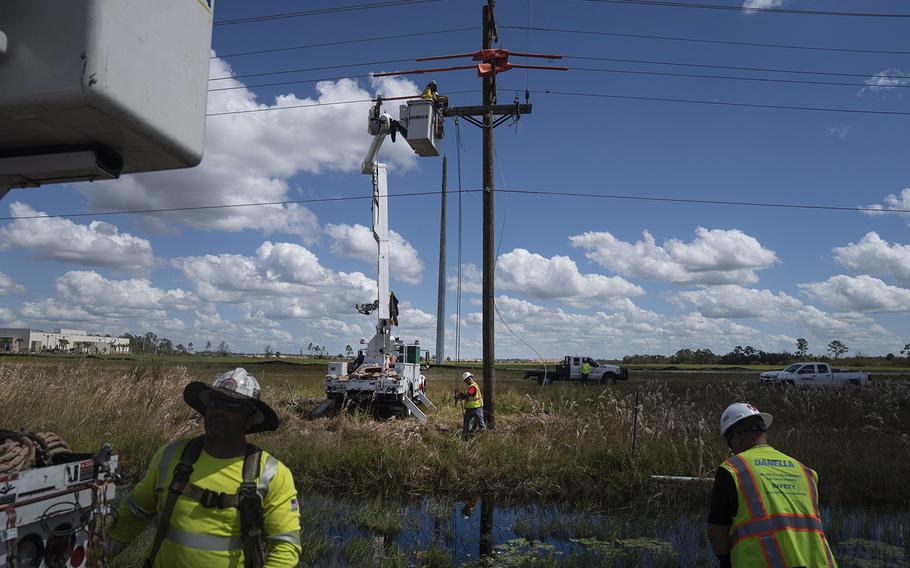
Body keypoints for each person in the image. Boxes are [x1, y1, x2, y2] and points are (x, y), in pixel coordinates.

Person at [108, 368, 301, 567]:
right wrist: (94, 558)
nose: (219, 411)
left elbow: (285, 549)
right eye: (215, 403)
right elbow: (131, 517)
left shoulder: (272, 473)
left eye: (232, 406)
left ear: (250, 418)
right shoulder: (169, 456)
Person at [707, 402, 837, 568]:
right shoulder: (806, 472)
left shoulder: (732, 469)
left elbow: (717, 532)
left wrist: (725, 561)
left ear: (735, 437)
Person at [455, 371, 485, 439]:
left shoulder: (473, 386)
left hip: (476, 408)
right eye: (466, 380)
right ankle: (466, 434)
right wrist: (460, 396)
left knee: (480, 423)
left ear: (471, 378)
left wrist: (461, 394)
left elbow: (470, 393)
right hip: (470, 409)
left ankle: (483, 435)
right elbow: (468, 396)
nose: (467, 381)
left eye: (467, 379)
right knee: (467, 422)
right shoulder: (471, 386)